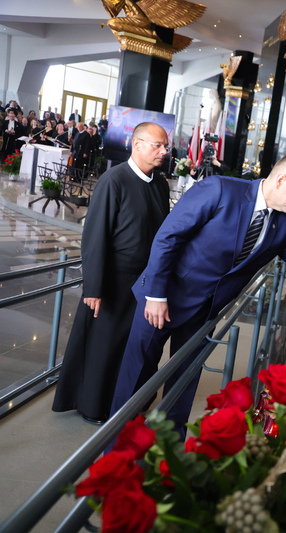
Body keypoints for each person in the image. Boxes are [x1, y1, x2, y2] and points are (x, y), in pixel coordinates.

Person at [109, 153, 286, 436]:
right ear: (280, 180)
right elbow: (168, 237)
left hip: (204, 312)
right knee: (136, 377)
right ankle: (115, 447)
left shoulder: (285, 226)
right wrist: (156, 295)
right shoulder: (219, 190)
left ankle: (169, 452)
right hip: (163, 299)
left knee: (184, 384)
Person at [52, 122, 172, 424]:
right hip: (112, 281)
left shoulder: (160, 184)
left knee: (134, 347)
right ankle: (94, 405)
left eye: (166, 146)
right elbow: (94, 237)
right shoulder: (113, 180)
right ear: (137, 144)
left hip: (144, 282)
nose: (164, 151)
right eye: (157, 145)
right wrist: (93, 286)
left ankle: (129, 402)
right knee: (104, 347)